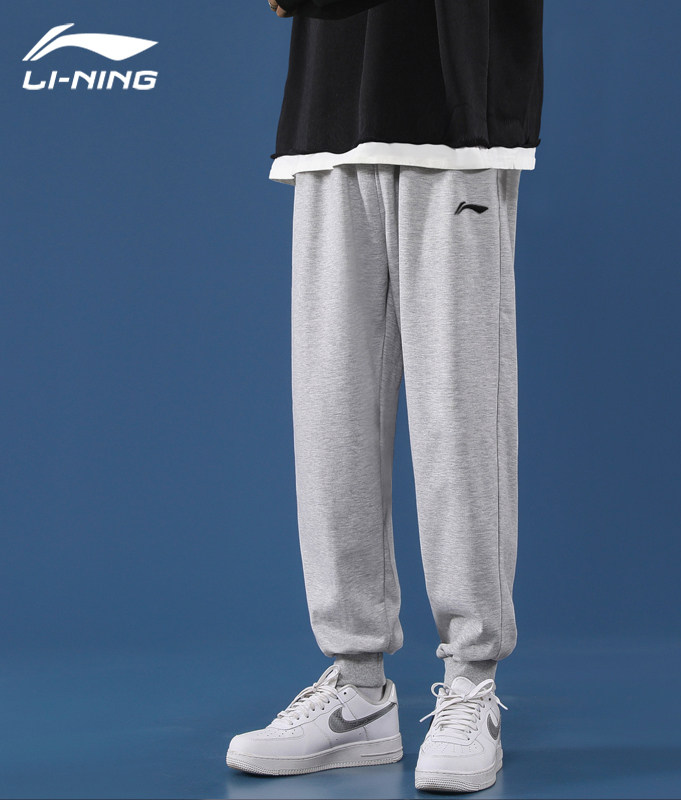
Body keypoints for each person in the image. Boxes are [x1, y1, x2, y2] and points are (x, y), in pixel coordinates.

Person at [226, 0, 543, 792]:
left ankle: (472, 683)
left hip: (457, 101)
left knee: (460, 412)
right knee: (330, 410)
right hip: (332, 101)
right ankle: (358, 691)